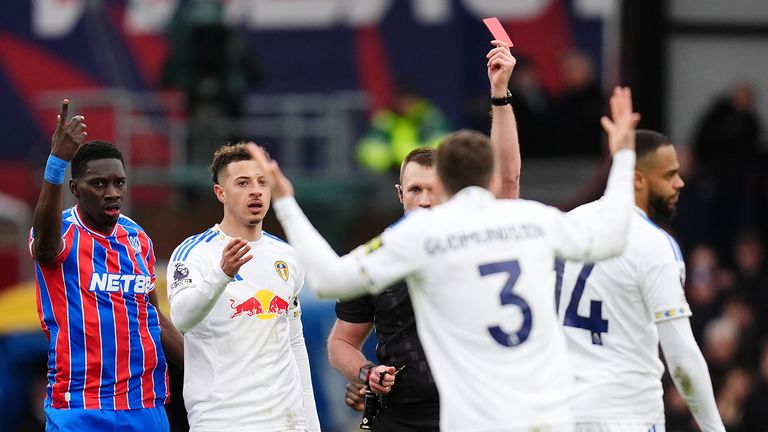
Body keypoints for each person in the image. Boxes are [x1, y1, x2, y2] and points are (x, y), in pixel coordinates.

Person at [250, 86, 640, 431]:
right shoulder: (531, 219)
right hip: (547, 412)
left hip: (473, 415)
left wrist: (285, 202)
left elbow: (328, 279)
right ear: (488, 179)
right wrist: (623, 158)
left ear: (445, 184)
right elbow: (611, 237)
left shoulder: (421, 235)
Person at [327, 40, 521, 431]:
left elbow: (508, 181)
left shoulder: (476, 236)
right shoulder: (376, 257)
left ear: (451, 190)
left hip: (472, 413)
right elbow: (340, 343)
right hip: (398, 417)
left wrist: (500, 96)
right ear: (400, 195)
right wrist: (367, 373)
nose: (425, 200)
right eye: (415, 190)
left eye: (434, 190)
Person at [557, 129, 725, 431]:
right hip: (628, 413)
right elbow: (681, 354)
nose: (680, 182)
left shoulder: (569, 223)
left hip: (561, 412)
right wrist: (714, 428)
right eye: (670, 175)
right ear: (636, 179)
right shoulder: (655, 244)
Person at [30, 100, 183, 431]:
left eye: (119, 182)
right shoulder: (61, 233)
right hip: (80, 404)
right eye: (99, 184)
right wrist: (56, 163)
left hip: (143, 404)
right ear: (75, 188)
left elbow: (152, 317)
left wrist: (212, 372)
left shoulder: (137, 238)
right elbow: (43, 248)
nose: (112, 192)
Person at [166, 143, 320, 431]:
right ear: (220, 193)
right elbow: (182, 319)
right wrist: (221, 274)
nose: (256, 191)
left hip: (285, 421)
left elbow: (295, 343)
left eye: (262, 182)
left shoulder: (286, 256)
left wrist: (310, 423)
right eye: (243, 183)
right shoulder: (194, 253)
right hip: (222, 420)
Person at [356, 79, 451, 174]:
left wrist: (410, 158)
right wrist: (391, 160)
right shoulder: (385, 118)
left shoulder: (430, 117)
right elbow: (368, 150)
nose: (407, 104)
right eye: (403, 100)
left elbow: (441, 146)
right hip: (390, 174)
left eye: (411, 100)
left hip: (426, 170)